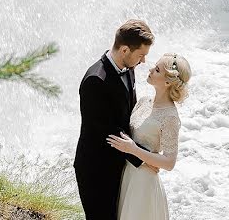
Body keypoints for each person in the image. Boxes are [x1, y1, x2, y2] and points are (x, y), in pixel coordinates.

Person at [74, 19, 154, 220]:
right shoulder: (95, 81)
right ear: (125, 50)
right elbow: (108, 132)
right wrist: (146, 157)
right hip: (97, 170)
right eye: (141, 55)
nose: (143, 61)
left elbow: (129, 114)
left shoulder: (129, 68)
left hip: (120, 164)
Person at [107, 53, 192, 220]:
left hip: (143, 183)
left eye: (157, 69)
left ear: (168, 82)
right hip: (127, 175)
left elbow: (169, 162)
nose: (151, 69)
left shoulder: (170, 118)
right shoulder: (144, 101)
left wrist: (134, 150)